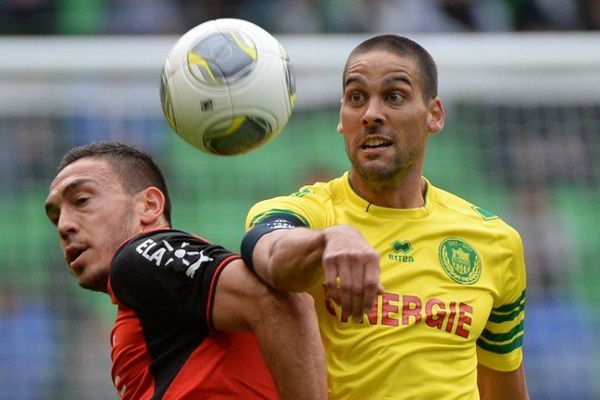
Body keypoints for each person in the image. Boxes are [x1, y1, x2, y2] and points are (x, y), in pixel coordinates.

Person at [242, 35, 529, 399]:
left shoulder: (496, 241)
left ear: (434, 115)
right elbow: (268, 250)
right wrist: (328, 240)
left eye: (394, 96)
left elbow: (502, 387)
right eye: (356, 97)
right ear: (341, 120)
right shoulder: (308, 212)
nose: (371, 114)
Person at [44, 141, 326, 400]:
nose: (64, 226)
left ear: (149, 205)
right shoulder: (156, 304)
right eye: (55, 216)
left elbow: (283, 302)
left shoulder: (137, 258)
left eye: (81, 201)